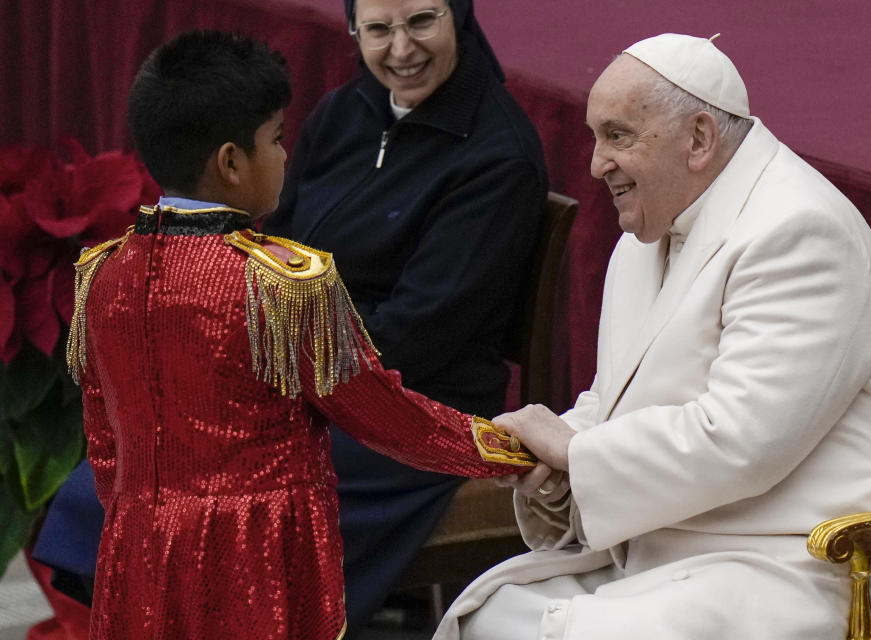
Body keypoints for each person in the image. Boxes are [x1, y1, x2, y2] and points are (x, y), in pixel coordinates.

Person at [433, 33, 871, 640]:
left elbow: (741, 439)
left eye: (618, 135)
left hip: (822, 553)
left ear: (700, 139)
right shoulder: (649, 229)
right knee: (493, 620)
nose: (595, 161)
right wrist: (560, 459)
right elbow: (616, 400)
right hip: (694, 533)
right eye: (595, 136)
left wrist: (574, 452)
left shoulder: (798, 230)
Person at [66, 29, 535, 639]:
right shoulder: (285, 285)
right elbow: (388, 418)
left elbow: (107, 446)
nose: (287, 156)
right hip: (258, 555)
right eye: (277, 139)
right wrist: (507, 448)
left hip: (141, 547)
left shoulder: (101, 273)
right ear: (232, 162)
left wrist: (143, 524)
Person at [263, 0, 547, 632]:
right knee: (156, 448)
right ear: (352, 31)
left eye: (422, 22)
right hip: (315, 373)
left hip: (417, 403)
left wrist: (285, 368)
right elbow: (274, 248)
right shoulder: (344, 112)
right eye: (379, 29)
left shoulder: (497, 153)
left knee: (230, 492)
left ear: (460, 17)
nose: (401, 50)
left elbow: (421, 331)